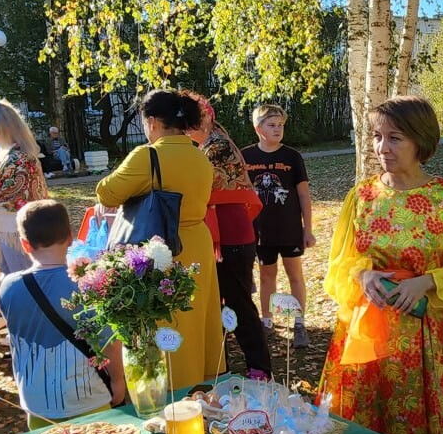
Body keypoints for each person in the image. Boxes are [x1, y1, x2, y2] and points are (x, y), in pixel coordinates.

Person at [318, 96, 443, 434]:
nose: (382, 148)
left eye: (395, 138)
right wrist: (362, 274)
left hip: (422, 336)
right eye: (378, 137)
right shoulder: (361, 197)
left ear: (420, 141)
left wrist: (426, 281)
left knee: (416, 428)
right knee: (360, 423)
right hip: (366, 330)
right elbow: (340, 263)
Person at [95, 88, 224, 391]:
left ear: (152, 121)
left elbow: (106, 192)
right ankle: (202, 382)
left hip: (163, 247)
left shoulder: (147, 155)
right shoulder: (199, 155)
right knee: (197, 318)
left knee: (168, 319)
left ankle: (171, 389)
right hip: (197, 244)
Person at [0, 199, 126, 428]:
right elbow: (108, 342)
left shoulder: (8, 287)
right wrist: (118, 381)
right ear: (70, 237)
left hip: (37, 401)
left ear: (25, 244)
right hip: (88, 396)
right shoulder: (84, 284)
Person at [187, 100, 272, 380]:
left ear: (207, 119)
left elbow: (198, 186)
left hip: (230, 235)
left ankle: (259, 367)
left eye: (194, 121)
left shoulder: (216, 147)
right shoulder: (206, 145)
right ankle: (224, 363)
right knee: (223, 301)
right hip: (223, 234)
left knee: (238, 301)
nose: (189, 128)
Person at [242, 104, 315, 347]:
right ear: (258, 128)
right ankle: (267, 322)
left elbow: (304, 195)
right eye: (272, 125)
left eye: (281, 125)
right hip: (260, 232)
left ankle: (299, 324)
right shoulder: (246, 157)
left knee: (295, 274)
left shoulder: (292, 157)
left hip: (290, 230)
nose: (277, 129)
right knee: (266, 276)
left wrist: (308, 229)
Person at [0, 94, 48, 274]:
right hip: (7, 229)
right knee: (12, 275)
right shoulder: (6, 153)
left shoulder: (18, 158)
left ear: (0, 127)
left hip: (16, 231)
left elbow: (4, 197)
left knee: (22, 278)